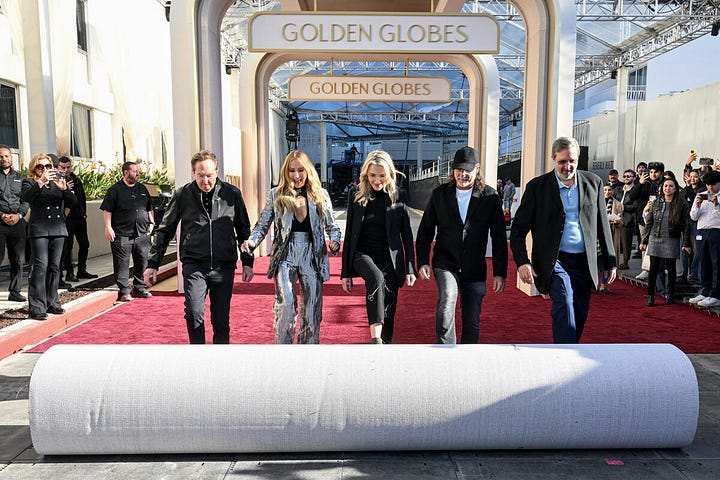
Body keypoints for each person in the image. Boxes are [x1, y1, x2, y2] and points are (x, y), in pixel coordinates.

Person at [510, 136, 617, 344]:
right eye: (562, 162)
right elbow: (518, 230)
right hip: (554, 261)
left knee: (579, 311)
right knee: (565, 301)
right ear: (553, 159)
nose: (567, 167)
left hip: (584, 262)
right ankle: (565, 355)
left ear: (578, 159)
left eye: (572, 161)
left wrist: (610, 261)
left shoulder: (593, 183)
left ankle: (569, 348)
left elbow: (602, 224)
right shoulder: (537, 188)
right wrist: (522, 262)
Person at [144, 150, 254, 344]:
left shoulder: (232, 194)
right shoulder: (182, 195)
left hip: (223, 266)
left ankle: (220, 361)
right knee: (194, 314)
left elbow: (244, 230)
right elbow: (165, 230)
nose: (205, 181)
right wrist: (153, 263)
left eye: (209, 175)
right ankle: (198, 357)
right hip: (194, 264)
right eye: (200, 175)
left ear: (217, 171)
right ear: (193, 173)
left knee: (221, 320)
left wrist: (247, 262)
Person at [241, 150, 341, 344]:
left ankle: (308, 353)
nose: (296, 175)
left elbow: (332, 226)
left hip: (312, 255)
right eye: (291, 171)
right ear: (285, 173)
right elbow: (262, 224)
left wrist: (334, 242)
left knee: (312, 309)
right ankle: (283, 351)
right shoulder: (276, 194)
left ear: (308, 171)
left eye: (301, 170)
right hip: (285, 255)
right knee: (286, 304)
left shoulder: (320, 195)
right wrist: (252, 242)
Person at [416, 146, 508, 344]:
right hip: (445, 261)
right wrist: (422, 261)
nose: (463, 174)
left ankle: (468, 361)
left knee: (472, 320)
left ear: (477, 169)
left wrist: (500, 272)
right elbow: (425, 230)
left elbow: (500, 237)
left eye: (467, 169)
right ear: (453, 170)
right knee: (448, 300)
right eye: (459, 169)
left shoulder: (490, 197)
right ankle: (446, 353)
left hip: (474, 267)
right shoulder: (440, 194)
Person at [340, 150, 417, 344]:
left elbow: (407, 235)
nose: (377, 180)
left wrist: (410, 267)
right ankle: (375, 340)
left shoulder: (400, 195)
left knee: (389, 308)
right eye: (373, 175)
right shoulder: (356, 195)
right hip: (362, 254)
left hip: (391, 257)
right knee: (376, 278)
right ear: (366, 174)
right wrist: (345, 273)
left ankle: (384, 346)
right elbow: (349, 235)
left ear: (390, 173)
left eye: (382, 175)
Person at [21, 154, 76, 320]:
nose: (44, 170)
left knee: (54, 266)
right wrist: (41, 181)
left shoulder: (57, 182)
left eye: (48, 166)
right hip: (40, 229)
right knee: (40, 266)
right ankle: (37, 307)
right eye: (40, 167)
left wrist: (63, 188)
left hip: (58, 228)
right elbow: (26, 197)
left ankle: (53, 302)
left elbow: (73, 202)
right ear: (34, 168)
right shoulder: (30, 182)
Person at [100, 161, 154, 302]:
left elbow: (149, 207)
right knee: (122, 263)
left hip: (142, 233)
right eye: (135, 171)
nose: (138, 174)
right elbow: (107, 210)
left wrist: (152, 222)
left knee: (142, 261)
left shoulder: (142, 188)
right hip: (122, 233)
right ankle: (124, 291)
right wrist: (108, 227)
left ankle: (139, 288)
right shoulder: (114, 190)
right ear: (126, 173)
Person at [639, 178, 691, 306]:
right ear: (662, 188)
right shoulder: (656, 202)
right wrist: (643, 241)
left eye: (671, 186)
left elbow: (686, 225)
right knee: (654, 268)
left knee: (671, 268)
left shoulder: (681, 204)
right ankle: (651, 295)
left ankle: (671, 295)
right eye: (665, 186)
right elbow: (649, 222)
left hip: (672, 238)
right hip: (655, 238)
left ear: (675, 188)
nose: (667, 188)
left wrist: (686, 243)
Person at [57, 156, 97, 284]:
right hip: (66, 218)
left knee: (84, 244)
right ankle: (69, 273)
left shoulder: (76, 179)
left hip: (79, 217)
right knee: (67, 246)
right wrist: (65, 189)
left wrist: (84, 213)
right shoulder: (56, 181)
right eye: (63, 168)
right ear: (58, 167)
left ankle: (82, 270)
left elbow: (81, 198)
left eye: (68, 167)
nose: (66, 170)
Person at [0, 144, 29, 302]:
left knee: (18, 259)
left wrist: (19, 215)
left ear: (11, 158)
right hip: (0, 223)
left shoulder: (21, 177)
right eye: (1, 156)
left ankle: (15, 291)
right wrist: (2, 215)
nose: (4, 159)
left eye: (6, 156)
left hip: (17, 223)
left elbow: (26, 200)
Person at [688, 170, 720, 308]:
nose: (710, 188)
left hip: (716, 231)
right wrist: (697, 204)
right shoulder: (700, 196)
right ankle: (705, 290)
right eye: (708, 185)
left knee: (716, 263)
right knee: (704, 261)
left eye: (713, 184)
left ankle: (716, 294)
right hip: (701, 231)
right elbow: (693, 216)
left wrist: (716, 204)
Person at [628, 161, 664, 281]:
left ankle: (659, 270)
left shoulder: (665, 184)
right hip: (644, 219)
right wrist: (639, 183)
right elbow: (631, 196)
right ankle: (645, 269)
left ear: (661, 173)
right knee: (644, 243)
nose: (653, 174)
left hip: (661, 220)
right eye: (651, 172)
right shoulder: (644, 183)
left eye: (656, 172)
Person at [612, 169, 639, 269]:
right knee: (614, 241)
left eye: (629, 176)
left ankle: (625, 262)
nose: (626, 178)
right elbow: (612, 201)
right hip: (614, 218)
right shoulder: (618, 190)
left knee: (626, 242)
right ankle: (613, 260)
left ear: (634, 178)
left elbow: (636, 206)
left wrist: (622, 207)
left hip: (627, 220)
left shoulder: (635, 190)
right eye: (625, 176)